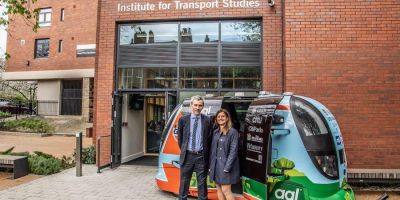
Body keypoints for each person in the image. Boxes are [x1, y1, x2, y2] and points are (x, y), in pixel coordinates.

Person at [177, 95, 212, 200]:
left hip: (201, 157)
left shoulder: (207, 120)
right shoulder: (183, 120)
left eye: (200, 105)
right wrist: (185, 151)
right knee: (184, 182)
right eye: (195, 105)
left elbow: (209, 140)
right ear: (191, 105)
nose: (197, 107)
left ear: (203, 107)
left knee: (202, 183)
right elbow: (180, 140)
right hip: (187, 156)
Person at [209, 109, 240, 200]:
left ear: (227, 118)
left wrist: (227, 167)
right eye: (218, 117)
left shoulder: (233, 132)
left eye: (223, 116)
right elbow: (213, 150)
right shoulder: (215, 132)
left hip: (226, 166)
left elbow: (233, 151)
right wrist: (211, 165)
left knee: (226, 190)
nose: (220, 118)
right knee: (218, 188)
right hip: (216, 165)